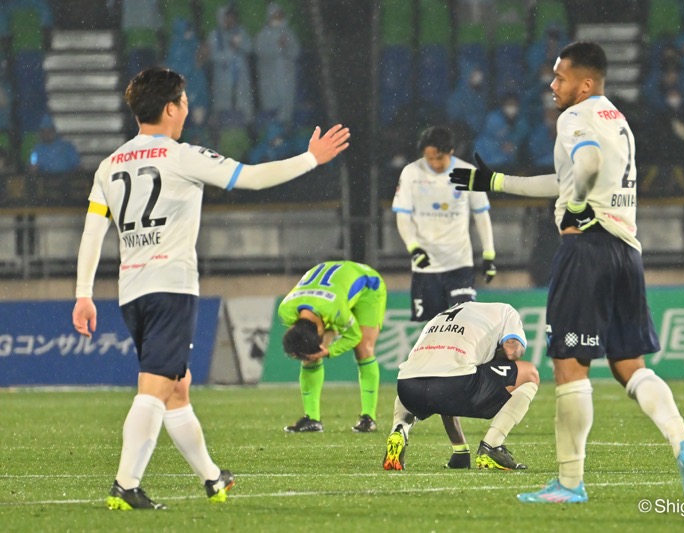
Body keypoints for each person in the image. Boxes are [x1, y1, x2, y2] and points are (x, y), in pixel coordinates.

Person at [71, 66, 349, 510]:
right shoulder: (181, 155)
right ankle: (126, 484)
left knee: (176, 386)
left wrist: (84, 293)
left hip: (132, 291)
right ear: (169, 108)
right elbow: (253, 178)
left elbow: (92, 232)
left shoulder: (109, 165)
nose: (187, 109)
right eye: (182, 101)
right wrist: (311, 158)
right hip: (171, 286)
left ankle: (213, 478)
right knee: (155, 388)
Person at [450, 41, 684, 503]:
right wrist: (495, 181)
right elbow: (570, 175)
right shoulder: (615, 118)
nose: (553, 86)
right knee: (631, 367)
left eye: (561, 78)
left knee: (570, 369)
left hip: (585, 249)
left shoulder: (574, 118)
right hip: (626, 251)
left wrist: (575, 209)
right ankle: (683, 445)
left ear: (584, 83)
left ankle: (570, 484)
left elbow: (583, 168)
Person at [382, 301, 539, 471]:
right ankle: (492, 446)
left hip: (407, 389)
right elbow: (512, 351)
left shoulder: (441, 316)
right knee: (529, 373)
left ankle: (400, 428)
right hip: (454, 385)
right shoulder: (505, 310)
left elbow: (442, 384)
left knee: (433, 374)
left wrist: (461, 452)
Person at [392, 126, 496, 324]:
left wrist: (488, 254)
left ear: (451, 152)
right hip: (425, 266)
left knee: (464, 323)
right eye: (429, 158)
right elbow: (403, 216)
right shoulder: (411, 173)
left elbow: (481, 215)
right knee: (429, 330)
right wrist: (414, 248)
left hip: (459, 264)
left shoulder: (467, 173)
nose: (434, 163)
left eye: (439, 158)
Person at [279, 260, 385, 433]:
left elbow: (354, 335)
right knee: (309, 357)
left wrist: (328, 351)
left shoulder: (336, 311)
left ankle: (368, 418)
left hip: (368, 286)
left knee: (363, 349)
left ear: (321, 329)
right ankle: (312, 419)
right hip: (330, 294)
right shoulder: (285, 310)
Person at [254, 2, 301, 125]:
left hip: (287, 78)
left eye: (279, 15)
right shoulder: (263, 35)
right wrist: (277, 47)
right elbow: (260, 51)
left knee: (287, 108)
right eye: (275, 15)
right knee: (272, 111)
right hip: (270, 80)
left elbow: (296, 51)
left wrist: (286, 47)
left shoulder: (289, 33)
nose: (278, 18)